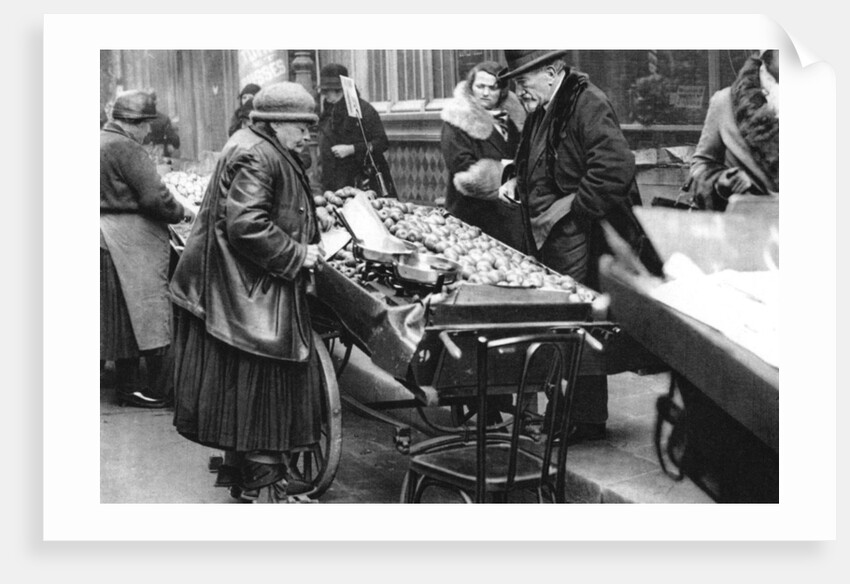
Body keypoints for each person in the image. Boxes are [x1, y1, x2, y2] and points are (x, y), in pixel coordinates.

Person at [169, 81, 330, 502]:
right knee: (264, 379)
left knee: (244, 384)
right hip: (246, 288)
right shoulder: (258, 153)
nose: (307, 134)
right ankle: (264, 481)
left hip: (237, 283)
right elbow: (247, 226)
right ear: (275, 122)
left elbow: (260, 211)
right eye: (300, 127)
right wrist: (299, 254)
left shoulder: (255, 144)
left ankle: (246, 474)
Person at [498, 50, 660, 444]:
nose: (519, 91)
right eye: (516, 84)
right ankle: (575, 416)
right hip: (554, 239)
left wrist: (571, 212)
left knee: (577, 325)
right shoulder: (545, 105)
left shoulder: (587, 102)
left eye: (525, 81)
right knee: (566, 322)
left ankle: (577, 419)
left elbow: (615, 167)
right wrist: (516, 179)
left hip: (582, 238)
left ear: (553, 73)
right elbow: (540, 160)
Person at [101, 89, 196, 408]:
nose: (148, 133)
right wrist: (182, 213)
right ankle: (137, 389)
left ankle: (125, 382)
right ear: (136, 124)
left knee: (117, 313)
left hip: (104, 235)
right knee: (142, 309)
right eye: (146, 126)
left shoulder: (99, 140)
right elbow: (154, 197)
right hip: (128, 238)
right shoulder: (126, 148)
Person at [440, 60, 528, 251]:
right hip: (471, 216)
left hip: (511, 217)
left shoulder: (517, 118)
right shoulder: (457, 119)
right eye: (480, 86)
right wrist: (509, 173)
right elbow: (461, 166)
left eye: (493, 87)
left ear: (502, 91)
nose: (486, 93)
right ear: (471, 88)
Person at [690, 49, 779, 211]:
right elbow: (701, 167)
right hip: (750, 224)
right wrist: (722, 180)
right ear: (767, 54)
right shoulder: (726, 102)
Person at [317, 63, 397, 197]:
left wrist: (352, 149)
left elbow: (382, 142)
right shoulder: (328, 111)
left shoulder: (364, 110)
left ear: (340, 89)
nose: (325, 95)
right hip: (334, 180)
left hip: (362, 180)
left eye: (327, 91)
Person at [143, 91, 181, 159]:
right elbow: (174, 140)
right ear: (156, 102)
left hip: (149, 154)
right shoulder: (163, 118)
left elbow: (174, 140)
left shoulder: (136, 118)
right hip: (156, 154)